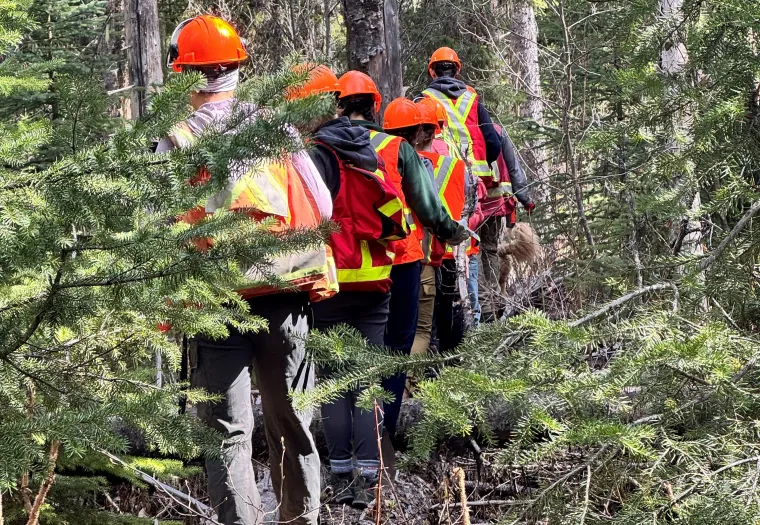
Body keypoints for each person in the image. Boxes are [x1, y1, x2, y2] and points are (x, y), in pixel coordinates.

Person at [160, 16, 334, 525]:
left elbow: (155, 227)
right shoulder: (275, 128)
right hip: (283, 291)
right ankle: (301, 518)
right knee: (291, 420)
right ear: (237, 68)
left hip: (213, 300)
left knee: (225, 432)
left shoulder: (175, 140)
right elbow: (321, 205)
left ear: (186, 74)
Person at [290, 65, 408, 509]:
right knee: (366, 379)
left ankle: (341, 479)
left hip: (332, 283)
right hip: (376, 278)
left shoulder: (315, 154)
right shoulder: (369, 148)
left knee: (336, 383)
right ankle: (372, 482)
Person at [335, 72, 468, 443]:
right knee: (395, 349)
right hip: (399, 260)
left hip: (341, 262)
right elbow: (427, 207)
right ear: (374, 105)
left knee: (342, 355)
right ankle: (382, 435)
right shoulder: (397, 149)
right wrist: (451, 230)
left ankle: (344, 446)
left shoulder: (324, 145)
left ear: (338, 103)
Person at [422, 46, 505, 323]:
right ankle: (471, 321)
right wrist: (479, 164)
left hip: (434, 182)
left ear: (432, 71)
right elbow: (493, 143)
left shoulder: (423, 101)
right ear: (457, 69)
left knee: (435, 250)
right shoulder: (473, 99)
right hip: (471, 186)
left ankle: (435, 323)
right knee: (469, 253)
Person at [410, 99, 469, 355]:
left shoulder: (398, 161)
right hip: (445, 251)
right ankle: (447, 368)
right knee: (445, 317)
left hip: (410, 253)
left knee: (417, 325)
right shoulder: (456, 167)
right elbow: (469, 206)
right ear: (437, 129)